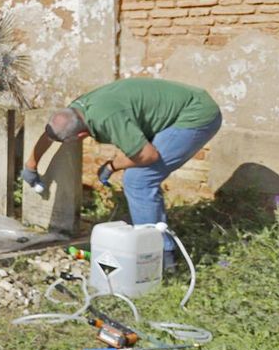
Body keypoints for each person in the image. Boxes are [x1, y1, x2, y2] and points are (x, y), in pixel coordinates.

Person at [25, 78, 223, 271]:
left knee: (138, 180)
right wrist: (30, 166)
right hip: (177, 107)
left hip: (195, 114)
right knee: (137, 176)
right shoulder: (74, 112)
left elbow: (148, 155)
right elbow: (51, 134)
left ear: (81, 136)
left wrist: (112, 166)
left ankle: (160, 257)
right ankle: (148, 235)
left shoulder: (108, 119)